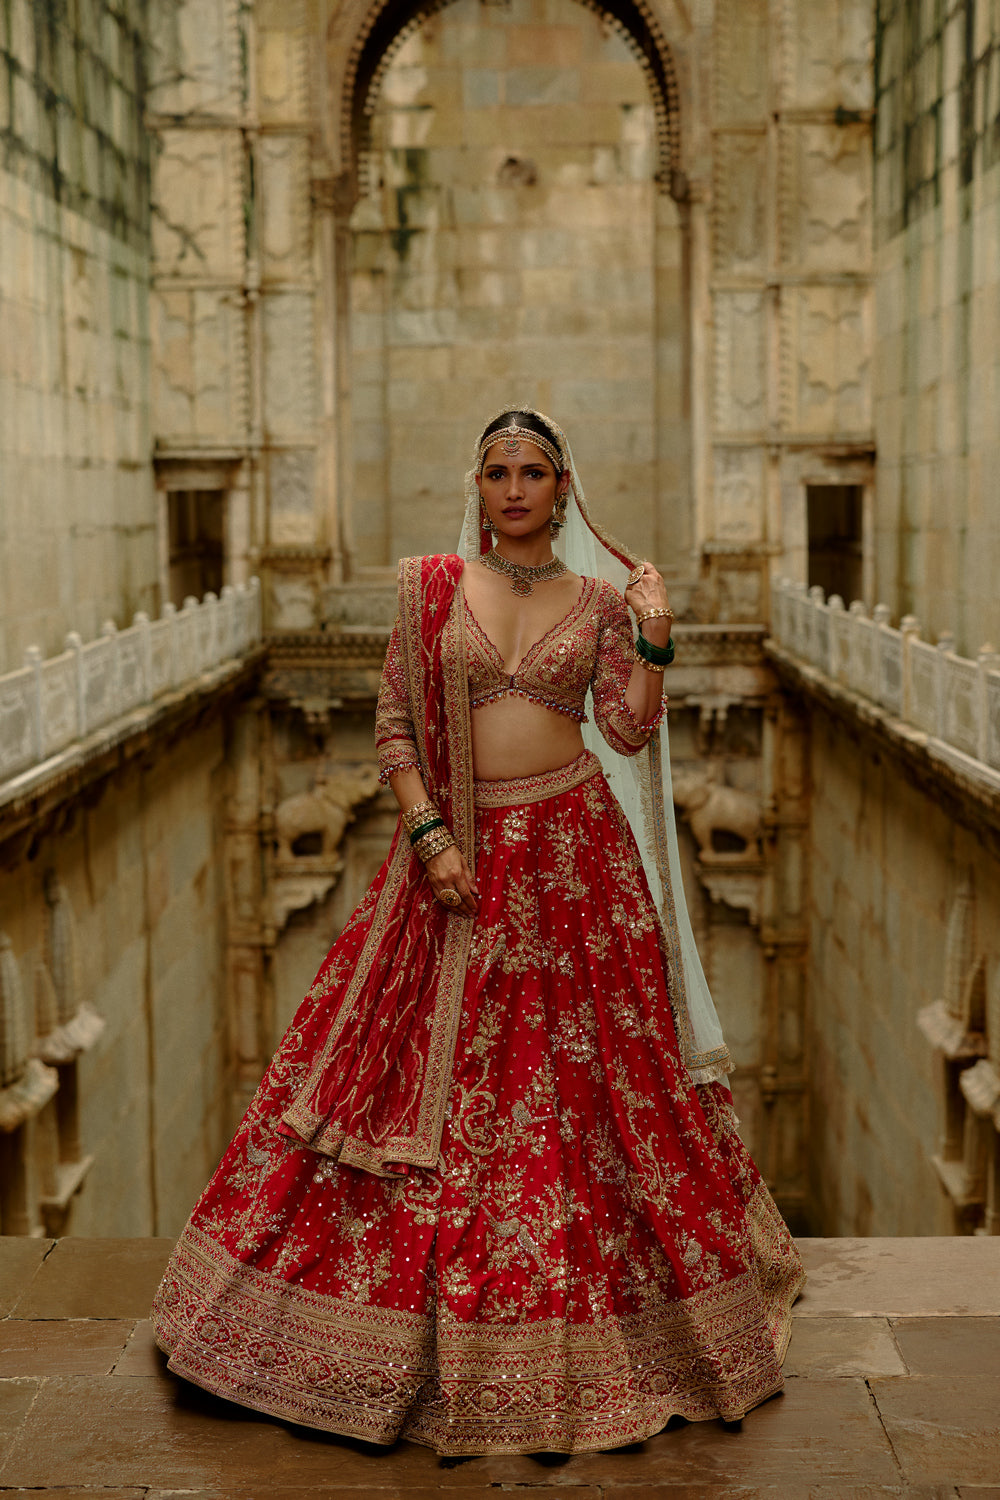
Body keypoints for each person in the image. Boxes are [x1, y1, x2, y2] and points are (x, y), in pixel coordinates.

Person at [152, 406, 804, 1457]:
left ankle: (589, 1336)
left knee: (582, 1091)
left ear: (561, 488)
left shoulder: (594, 601)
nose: (513, 489)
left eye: (532, 472)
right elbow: (397, 724)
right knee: (425, 1076)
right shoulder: (429, 590)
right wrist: (427, 835)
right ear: (479, 484)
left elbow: (630, 728)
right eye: (498, 471)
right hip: (452, 862)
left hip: (574, 856)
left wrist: (653, 637)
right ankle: (373, 1339)